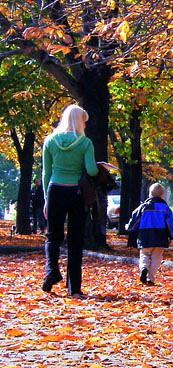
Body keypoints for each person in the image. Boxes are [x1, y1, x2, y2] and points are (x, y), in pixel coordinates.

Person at [41, 104, 98, 296]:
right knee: (75, 239)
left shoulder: (50, 141)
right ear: (80, 121)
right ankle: (74, 287)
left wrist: (46, 199)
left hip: (55, 190)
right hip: (76, 193)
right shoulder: (85, 143)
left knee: (53, 236)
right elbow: (91, 171)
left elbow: (46, 173)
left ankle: (51, 271)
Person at [126, 183, 173, 285]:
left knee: (144, 254)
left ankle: (143, 268)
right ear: (163, 195)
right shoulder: (165, 208)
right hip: (160, 236)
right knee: (156, 258)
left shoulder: (143, 207)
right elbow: (170, 223)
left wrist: (129, 227)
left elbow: (135, 219)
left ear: (149, 195)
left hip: (145, 235)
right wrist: (171, 235)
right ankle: (150, 278)